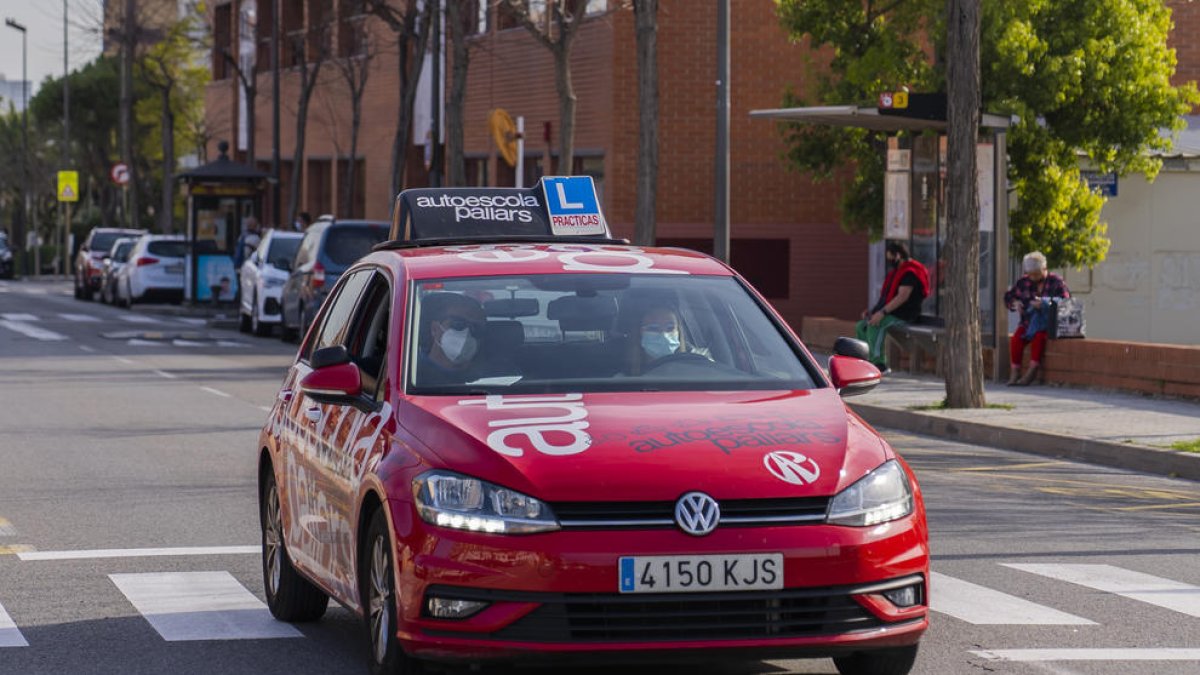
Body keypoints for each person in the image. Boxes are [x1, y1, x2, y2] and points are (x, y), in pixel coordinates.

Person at [856, 242, 930, 374]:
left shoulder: (910, 273)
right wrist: (873, 311)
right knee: (861, 326)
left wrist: (882, 313)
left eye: (890, 257)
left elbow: (902, 297)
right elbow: (886, 297)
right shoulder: (896, 273)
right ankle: (864, 360)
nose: (889, 261)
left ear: (898, 256)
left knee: (875, 324)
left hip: (904, 315)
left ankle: (879, 363)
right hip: (891, 313)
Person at [1004, 251, 1069, 386]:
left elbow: (1065, 301)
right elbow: (1008, 297)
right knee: (1017, 338)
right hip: (1028, 322)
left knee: (1039, 337)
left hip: (1048, 323)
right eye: (1030, 274)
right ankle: (1015, 372)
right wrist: (1015, 304)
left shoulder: (1056, 281)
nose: (1033, 277)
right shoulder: (1023, 282)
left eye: (1036, 273)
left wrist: (1045, 303)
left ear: (1044, 269)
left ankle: (1032, 371)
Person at [416, 292, 490, 386]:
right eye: (458, 324)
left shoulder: (484, 385)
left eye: (476, 329)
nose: (466, 334)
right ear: (435, 329)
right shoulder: (411, 376)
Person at [626, 302, 710, 375]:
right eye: (653, 328)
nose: (664, 335)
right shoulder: (620, 379)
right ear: (639, 334)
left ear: (679, 332)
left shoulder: (700, 363)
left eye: (670, 328)